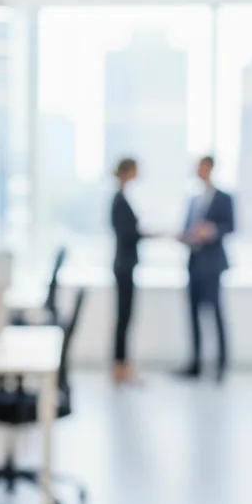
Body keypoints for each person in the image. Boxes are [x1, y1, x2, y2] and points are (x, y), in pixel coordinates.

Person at [177, 155, 235, 382]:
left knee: (216, 313)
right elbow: (186, 227)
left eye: (202, 168)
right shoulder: (193, 199)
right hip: (193, 262)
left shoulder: (224, 197)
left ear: (211, 169)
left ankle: (221, 365)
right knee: (192, 314)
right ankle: (195, 364)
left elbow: (230, 226)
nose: (198, 172)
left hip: (213, 265)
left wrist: (211, 231)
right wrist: (186, 235)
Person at [110, 157, 145, 385]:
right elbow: (127, 233)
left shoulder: (121, 198)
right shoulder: (119, 200)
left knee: (126, 317)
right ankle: (120, 366)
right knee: (123, 317)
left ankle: (123, 364)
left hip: (126, 264)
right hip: (123, 265)